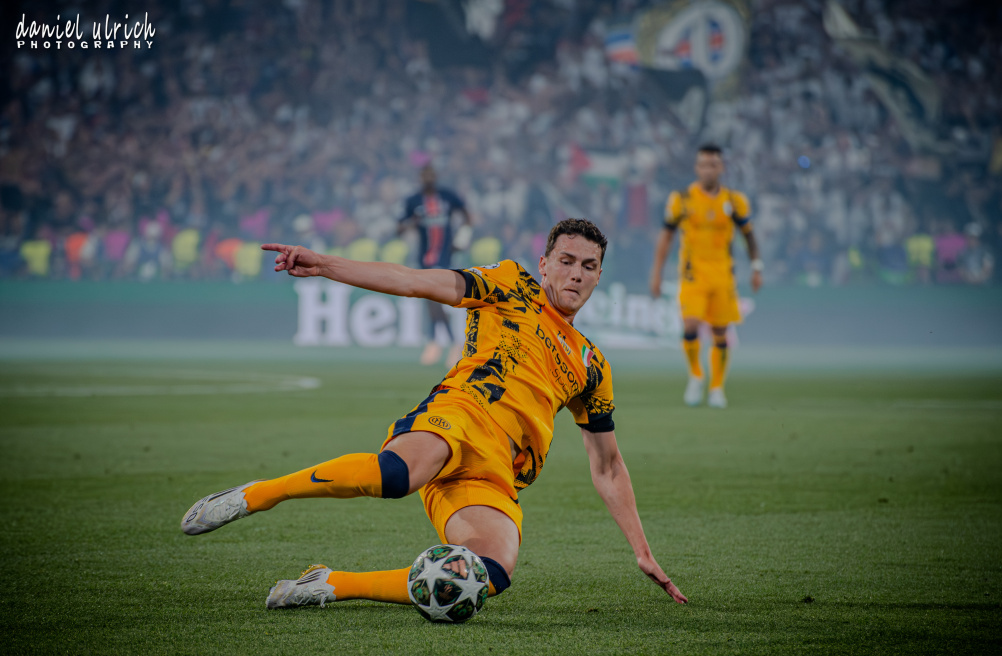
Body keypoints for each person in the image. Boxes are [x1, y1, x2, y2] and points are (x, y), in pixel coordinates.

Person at [181, 218, 687, 610]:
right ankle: (257, 495)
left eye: (589, 266)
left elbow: (608, 466)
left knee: (489, 574)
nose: (576, 273)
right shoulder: (510, 284)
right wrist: (326, 265)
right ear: (545, 263)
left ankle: (330, 584)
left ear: (599, 276)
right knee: (396, 475)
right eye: (567, 261)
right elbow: (413, 281)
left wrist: (642, 551)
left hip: (494, 472)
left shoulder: (592, 364)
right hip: (460, 414)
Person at [648, 144, 762, 408]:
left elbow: (749, 235)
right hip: (693, 275)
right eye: (703, 164)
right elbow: (666, 237)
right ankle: (696, 376)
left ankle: (717, 387)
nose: (708, 169)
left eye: (713, 164)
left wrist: (757, 267)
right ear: (696, 168)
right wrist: (656, 273)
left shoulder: (734, 201)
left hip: (723, 275)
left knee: (721, 331)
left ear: (721, 168)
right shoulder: (682, 199)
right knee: (690, 325)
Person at [399, 164, 473, 367]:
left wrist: (462, 239)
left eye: (431, 175)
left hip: (444, 257)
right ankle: (439, 342)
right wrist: (412, 222)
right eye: (425, 175)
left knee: (433, 299)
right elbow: (399, 228)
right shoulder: (414, 201)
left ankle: (446, 342)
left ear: (436, 176)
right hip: (425, 258)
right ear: (421, 178)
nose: (429, 178)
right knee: (430, 299)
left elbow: (467, 216)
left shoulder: (447, 196)